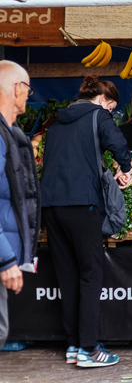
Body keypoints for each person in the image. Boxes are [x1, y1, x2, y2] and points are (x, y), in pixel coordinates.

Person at [40, 76, 131, 368]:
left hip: (51, 205)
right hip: (82, 205)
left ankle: (74, 344)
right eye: (112, 106)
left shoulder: (56, 123)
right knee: (90, 274)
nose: (111, 112)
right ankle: (89, 349)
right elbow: (117, 143)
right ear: (103, 100)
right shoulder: (98, 116)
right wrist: (125, 167)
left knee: (66, 275)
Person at [0, 61, 40, 350]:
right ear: (17, 88)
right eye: (27, 88)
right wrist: (4, 259)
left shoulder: (9, 133)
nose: (28, 95)